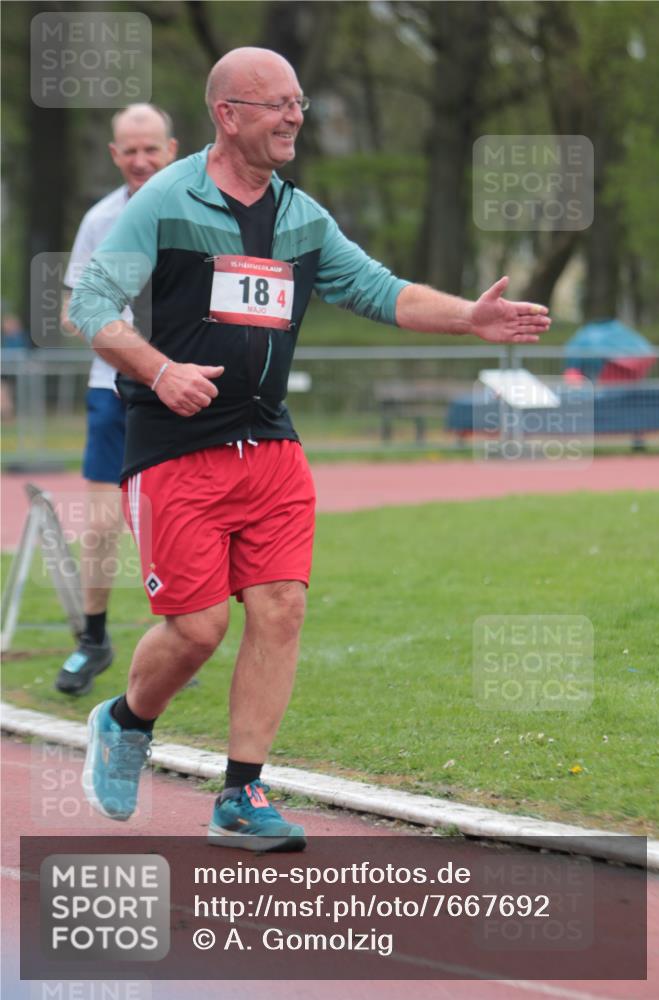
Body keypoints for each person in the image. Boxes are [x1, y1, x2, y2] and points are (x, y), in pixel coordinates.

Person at [70, 47, 550, 852]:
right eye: (277, 103)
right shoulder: (165, 199)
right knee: (196, 631)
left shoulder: (301, 218)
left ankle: (240, 794)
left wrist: (468, 316)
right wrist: (159, 369)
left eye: (298, 101)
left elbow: (378, 290)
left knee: (281, 608)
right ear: (227, 115)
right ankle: (124, 721)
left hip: (270, 445)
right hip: (177, 447)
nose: (295, 116)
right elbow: (90, 303)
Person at [55, 104, 178, 696]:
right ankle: (93, 640)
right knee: (103, 524)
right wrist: (126, 342)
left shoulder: (199, 211)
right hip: (114, 388)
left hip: (181, 389)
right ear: (114, 154)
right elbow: (70, 311)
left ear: (172, 149)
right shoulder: (100, 220)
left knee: (175, 522)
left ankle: (177, 643)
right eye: (130, 150)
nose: (141, 160)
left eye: (151, 148)